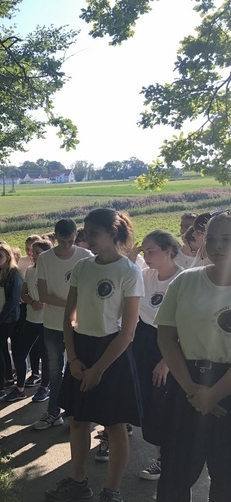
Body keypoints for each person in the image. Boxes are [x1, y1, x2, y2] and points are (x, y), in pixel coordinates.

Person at [45, 208, 143, 502]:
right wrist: (73, 358)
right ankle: (77, 482)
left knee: (114, 427)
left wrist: (98, 369)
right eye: (84, 232)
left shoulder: (129, 272)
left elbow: (127, 332)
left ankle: (111, 491)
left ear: (113, 233)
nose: (86, 238)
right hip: (82, 349)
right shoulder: (83, 268)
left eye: (93, 233)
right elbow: (68, 317)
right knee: (77, 421)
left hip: (112, 353)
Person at [155, 211, 231, 501]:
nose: (218, 246)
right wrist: (192, 389)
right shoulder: (185, 281)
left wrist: (214, 394)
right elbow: (166, 336)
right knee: (175, 476)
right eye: (211, 238)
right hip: (185, 386)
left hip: (228, 390)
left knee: (227, 478)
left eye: (227, 239)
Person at [132, 230, 183, 481]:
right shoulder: (144, 275)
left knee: (163, 405)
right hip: (143, 341)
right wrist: (131, 257)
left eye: (151, 250)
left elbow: (187, 326)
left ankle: (165, 460)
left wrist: (167, 361)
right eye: (144, 250)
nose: (146, 255)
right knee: (147, 404)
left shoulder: (184, 279)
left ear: (169, 250)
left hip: (170, 344)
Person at [33, 218, 93, 430]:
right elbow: (43, 294)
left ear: (76, 236)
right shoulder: (45, 259)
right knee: (54, 369)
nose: (67, 245)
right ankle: (52, 413)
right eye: (63, 241)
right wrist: (72, 303)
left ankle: (78, 413)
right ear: (55, 237)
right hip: (52, 324)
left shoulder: (86, 257)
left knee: (78, 367)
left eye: (71, 240)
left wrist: (73, 308)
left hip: (79, 325)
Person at [6, 239, 52, 403]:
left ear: (47, 253)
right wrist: (32, 302)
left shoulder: (52, 272)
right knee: (19, 353)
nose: (33, 255)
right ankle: (19, 389)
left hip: (48, 321)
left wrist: (47, 301)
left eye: (38, 252)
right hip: (31, 319)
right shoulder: (31, 271)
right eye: (33, 252)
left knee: (46, 357)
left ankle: (45, 388)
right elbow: (23, 294)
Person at [0, 244, 23, 401]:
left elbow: (13, 301)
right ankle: (8, 378)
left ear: (8, 256)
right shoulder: (0, 272)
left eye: (0, 255)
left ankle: (0, 388)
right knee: (1, 350)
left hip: (7, 319)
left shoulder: (14, 274)